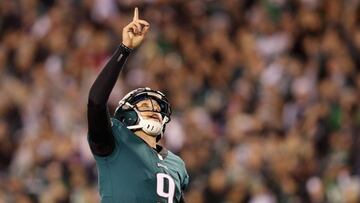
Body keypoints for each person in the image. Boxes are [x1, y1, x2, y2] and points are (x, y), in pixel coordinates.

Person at [87, 7, 189, 203]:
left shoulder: (177, 164)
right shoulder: (116, 141)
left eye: (158, 108)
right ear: (128, 115)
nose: (154, 110)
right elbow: (95, 101)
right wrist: (124, 49)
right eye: (144, 106)